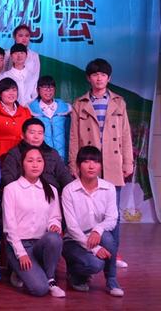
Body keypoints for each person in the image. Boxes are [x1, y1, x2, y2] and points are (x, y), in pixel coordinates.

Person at [68, 58, 133, 269]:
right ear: (89, 78)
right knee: (87, 213)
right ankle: (91, 251)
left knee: (113, 215)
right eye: (95, 74)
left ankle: (113, 256)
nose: (99, 78)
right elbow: (74, 137)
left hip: (113, 163)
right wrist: (73, 164)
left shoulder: (119, 102)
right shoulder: (80, 103)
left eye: (103, 75)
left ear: (109, 78)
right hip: (89, 161)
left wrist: (128, 162)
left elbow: (126, 135)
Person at [2, 146, 66, 298]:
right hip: (19, 245)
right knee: (39, 289)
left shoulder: (51, 189)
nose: (35, 165)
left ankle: (50, 279)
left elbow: (55, 217)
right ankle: (18, 270)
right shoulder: (11, 189)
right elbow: (9, 227)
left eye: (39, 161)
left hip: (40, 244)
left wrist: (54, 225)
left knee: (54, 238)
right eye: (30, 161)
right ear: (22, 164)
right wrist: (21, 254)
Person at [62, 146, 123, 297]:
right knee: (96, 264)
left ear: (101, 165)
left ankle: (111, 280)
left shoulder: (109, 188)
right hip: (74, 239)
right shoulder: (69, 190)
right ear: (78, 165)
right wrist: (95, 249)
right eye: (86, 162)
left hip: (97, 235)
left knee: (108, 237)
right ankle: (74, 273)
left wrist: (97, 230)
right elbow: (72, 227)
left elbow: (112, 218)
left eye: (95, 162)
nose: (91, 166)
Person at [1, 118, 73, 193]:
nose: (36, 137)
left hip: (51, 193)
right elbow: (7, 177)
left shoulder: (51, 153)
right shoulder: (15, 153)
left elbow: (64, 175)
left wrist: (71, 191)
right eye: (32, 133)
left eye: (40, 133)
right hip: (24, 193)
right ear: (23, 135)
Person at [0, 77, 32, 161]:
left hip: (21, 154)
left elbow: (29, 135)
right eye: (7, 90)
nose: (11, 93)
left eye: (14, 90)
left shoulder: (25, 111)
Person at [28, 75, 72, 162]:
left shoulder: (66, 110)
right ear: (38, 90)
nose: (48, 91)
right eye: (44, 87)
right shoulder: (30, 110)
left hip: (63, 157)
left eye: (51, 87)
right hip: (41, 157)